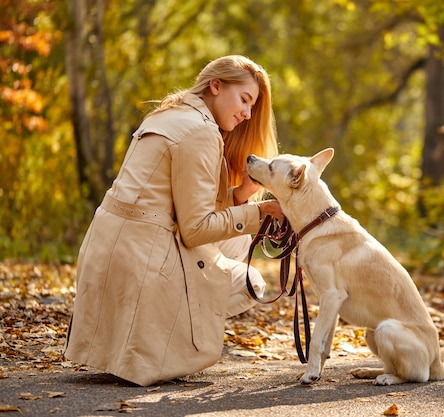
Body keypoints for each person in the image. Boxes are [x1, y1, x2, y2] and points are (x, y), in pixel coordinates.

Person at [64, 55, 283, 386]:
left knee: (238, 241)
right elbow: (195, 230)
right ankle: (166, 336)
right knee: (253, 282)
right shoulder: (201, 132)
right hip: (141, 258)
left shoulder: (169, 113)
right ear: (216, 86)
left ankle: (149, 329)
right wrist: (261, 213)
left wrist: (239, 197)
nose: (247, 114)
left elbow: (178, 203)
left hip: (110, 250)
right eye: (245, 100)